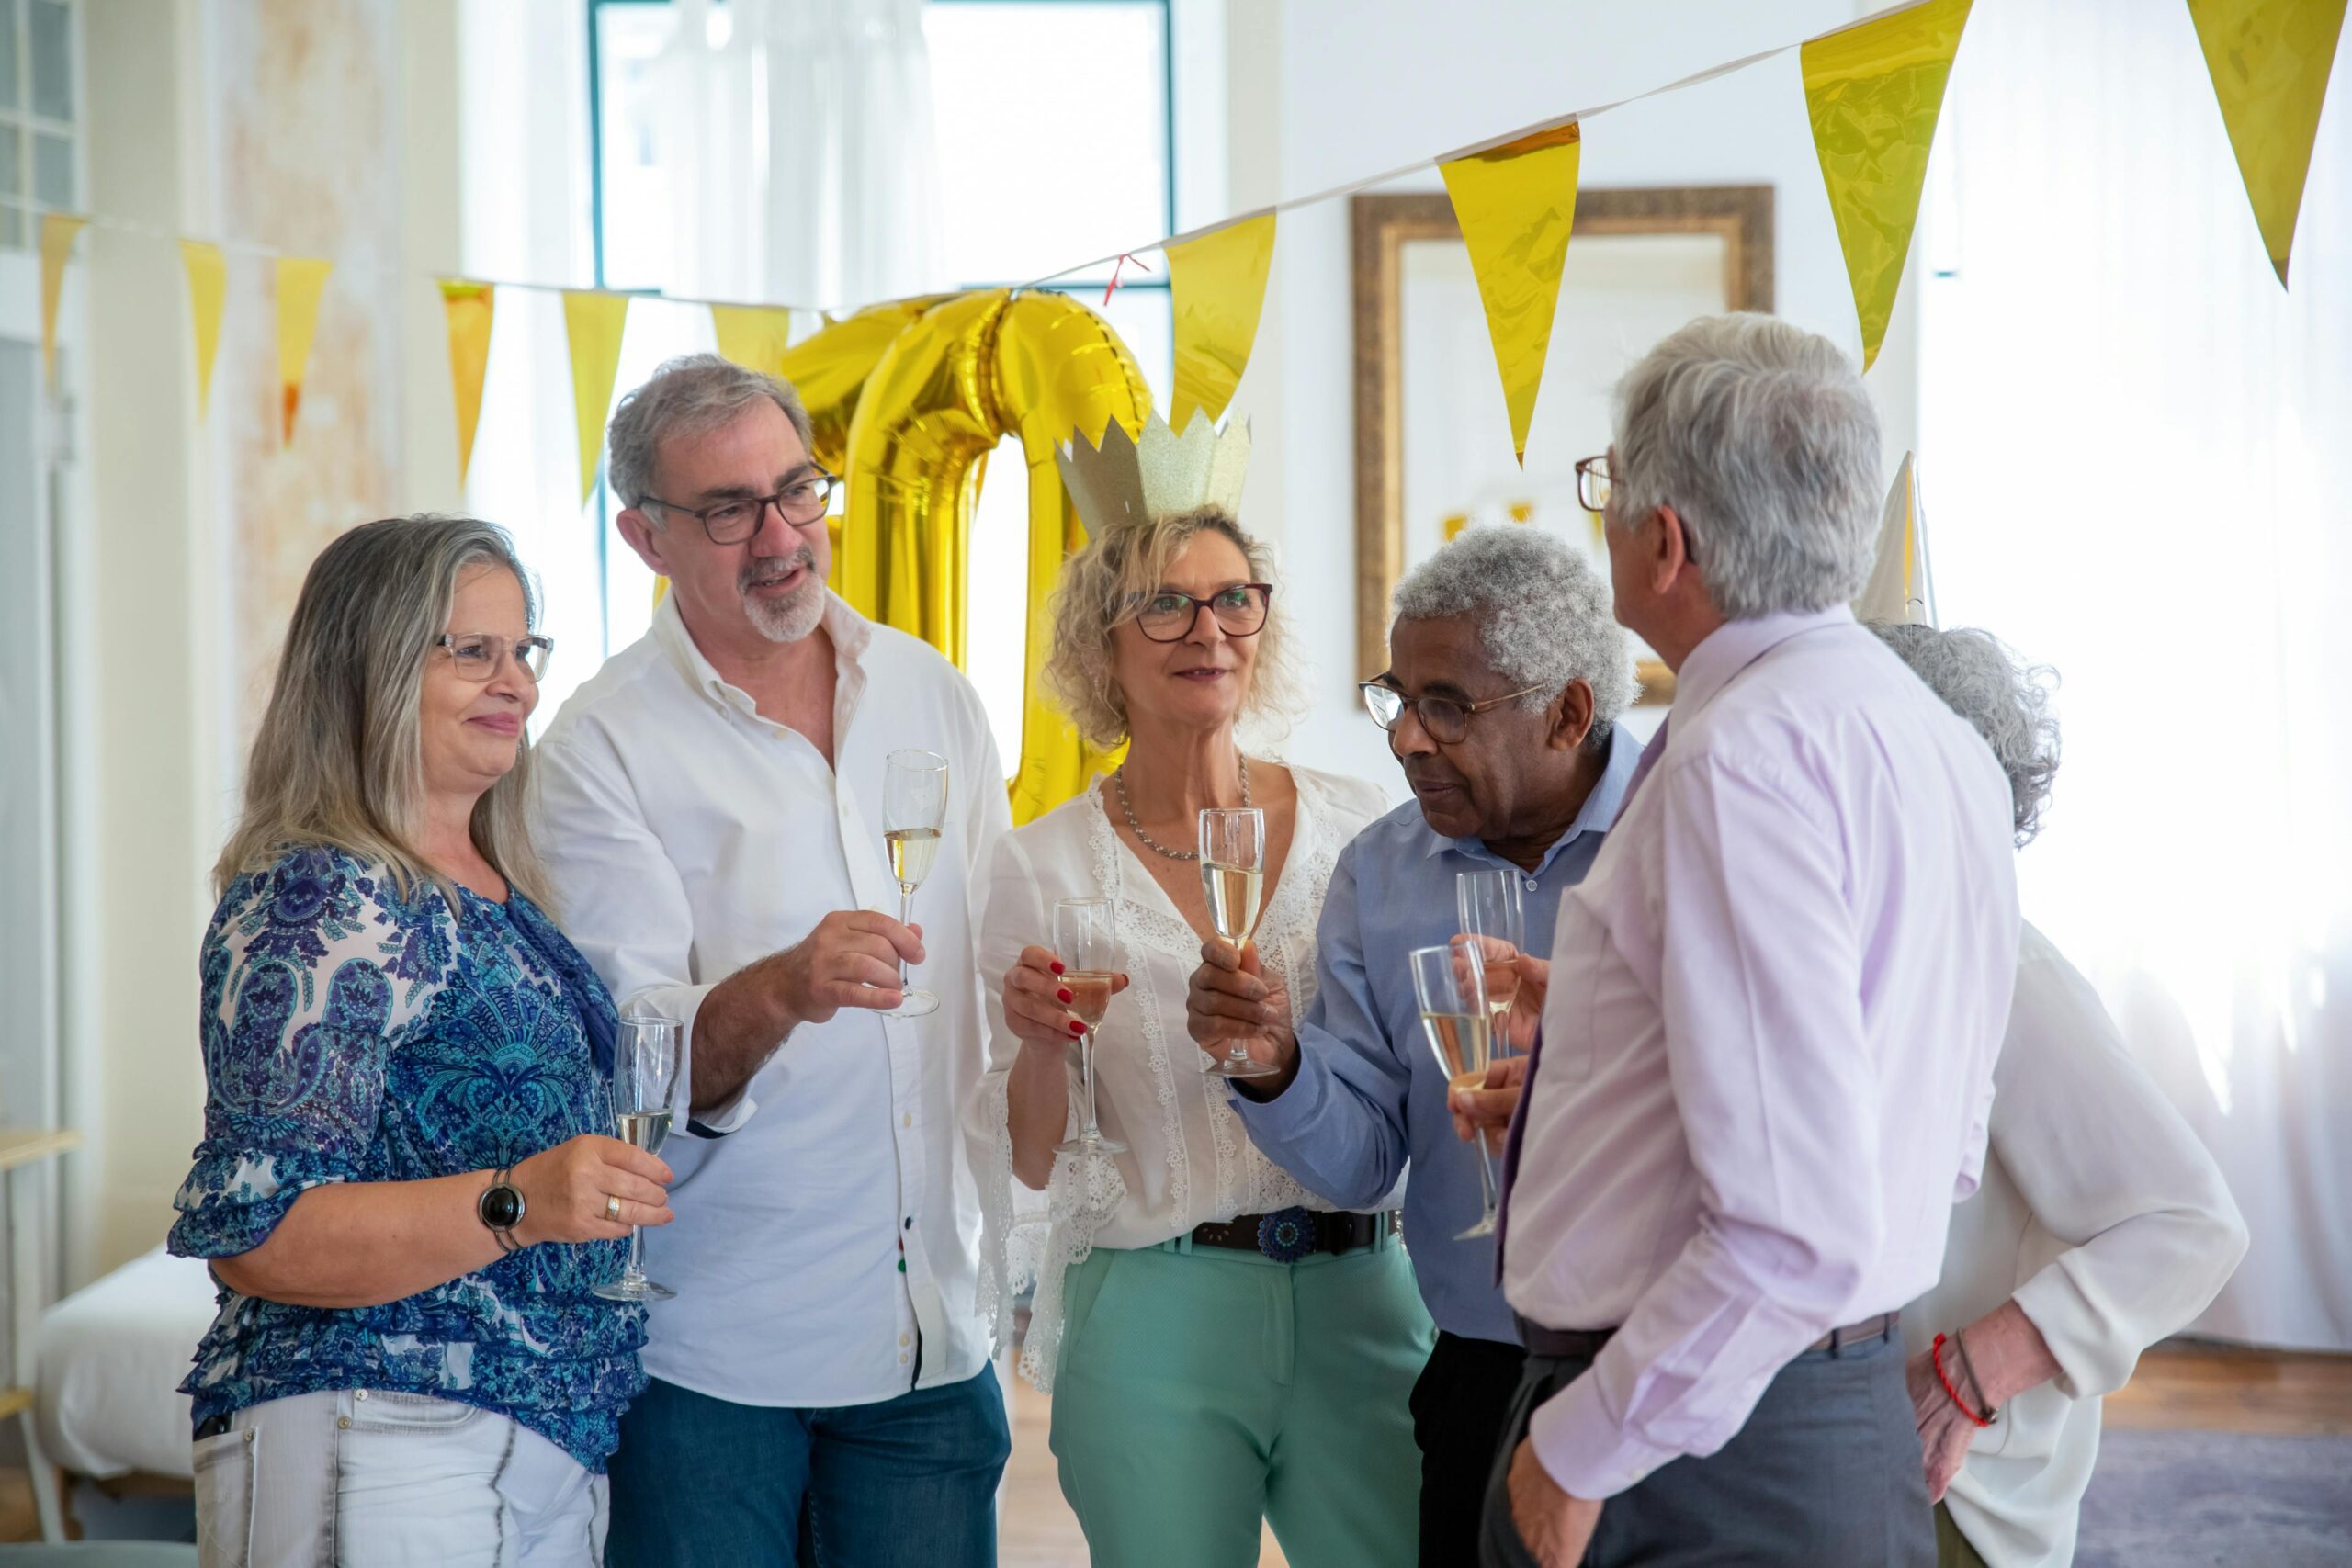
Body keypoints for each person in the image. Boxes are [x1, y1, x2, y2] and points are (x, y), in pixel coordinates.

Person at [1479, 314, 2022, 1568]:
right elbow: (1917, 1113)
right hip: (1813, 1402)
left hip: (1700, 1446)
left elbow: (1793, 1223)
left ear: (1664, 540)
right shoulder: (1935, 736)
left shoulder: (1746, 751)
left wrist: (1586, 1445)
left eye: (1609, 489)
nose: (1603, 518)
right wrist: (1612, 1042)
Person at [534, 355, 1012, 1567]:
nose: (782, 534)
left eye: (797, 489)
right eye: (729, 509)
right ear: (645, 537)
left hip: (929, 1344)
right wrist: (784, 986)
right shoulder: (600, 747)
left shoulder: (931, 689)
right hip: (714, 1361)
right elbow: (629, 1064)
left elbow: (994, 955)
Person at [972, 414, 1429, 1566]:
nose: (1208, 631)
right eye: (1165, 604)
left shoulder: (1360, 828)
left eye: (1234, 599)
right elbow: (1033, 1160)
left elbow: (1413, 1083)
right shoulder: (1039, 865)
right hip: (1156, 1313)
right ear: (1100, 642)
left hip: (1364, 1291)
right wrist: (1036, 1043)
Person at [171, 515, 666, 1566]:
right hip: (377, 1432)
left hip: (538, 1443)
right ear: (371, 669)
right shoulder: (324, 894)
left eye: (524, 651)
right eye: (472, 650)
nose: (517, 685)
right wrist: (520, 1201)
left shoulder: (494, 886)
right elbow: (260, 1235)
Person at [1182, 524, 1641, 1565]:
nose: (1405, 740)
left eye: (1448, 707)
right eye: (1397, 699)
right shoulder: (1381, 874)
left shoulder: (1692, 831)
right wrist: (1275, 1067)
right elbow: (1364, 1163)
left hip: (1670, 1371)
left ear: (1568, 712)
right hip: (1476, 1373)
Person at [1870, 622, 2246, 1568]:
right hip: (1849, 1456)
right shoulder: (1872, 946)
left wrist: (1967, 1373)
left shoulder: (2006, 966)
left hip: (1952, 1491)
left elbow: (2193, 1223)